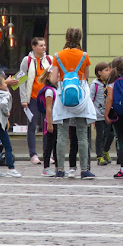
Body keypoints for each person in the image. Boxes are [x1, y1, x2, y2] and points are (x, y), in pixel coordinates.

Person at [50, 27, 96, 180]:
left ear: (66, 38)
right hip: (80, 97)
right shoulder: (84, 56)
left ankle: (60, 169)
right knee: (82, 134)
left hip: (63, 96)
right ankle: (84, 169)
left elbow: (53, 80)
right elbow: (86, 77)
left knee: (61, 135)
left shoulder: (58, 55)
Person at [19, 37, 53, 165]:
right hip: (32, 98)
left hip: (47, 97)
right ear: (33, 47)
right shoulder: (27, 61)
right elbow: (21, 80)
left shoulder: (49, 60)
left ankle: (47, 153)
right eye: (40, 45)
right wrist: (23, 99)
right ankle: (33, 154)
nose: (43, 48)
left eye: (44, 45)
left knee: (47, 125)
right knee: (32, 126)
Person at [91, 62, 114, 166]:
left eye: (109, 70)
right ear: (99, 72)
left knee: (110, 134)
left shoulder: (109, 84)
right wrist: (91, 114)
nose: (109, 72)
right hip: (98, 115)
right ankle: (99, 156)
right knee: (100, 135)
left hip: (108, 113)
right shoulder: (95, 85)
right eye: (106, 70)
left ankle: (105, 151)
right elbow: (91, 99)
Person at [36, 69, 58, 177]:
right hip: (51, 121)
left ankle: (58, 167)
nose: (58, 76)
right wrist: (49, 123)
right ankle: (46, 167)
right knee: (50, 144)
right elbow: (48, 108)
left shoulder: (58, 89)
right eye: (55, 75)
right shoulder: (49, 91)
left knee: (57, 145)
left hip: (58, 120)